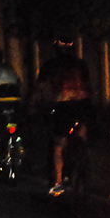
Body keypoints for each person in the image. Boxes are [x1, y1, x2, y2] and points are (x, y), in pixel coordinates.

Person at [33, 35, 93, 196]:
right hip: (83, 105)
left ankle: (58, 182)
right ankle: (85, 168)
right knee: (82, 136)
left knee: (59, 143)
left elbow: (41, 88)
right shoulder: (81, 64)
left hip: (63, 105)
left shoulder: (50, 65)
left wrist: (35, 104)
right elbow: (88, 85)